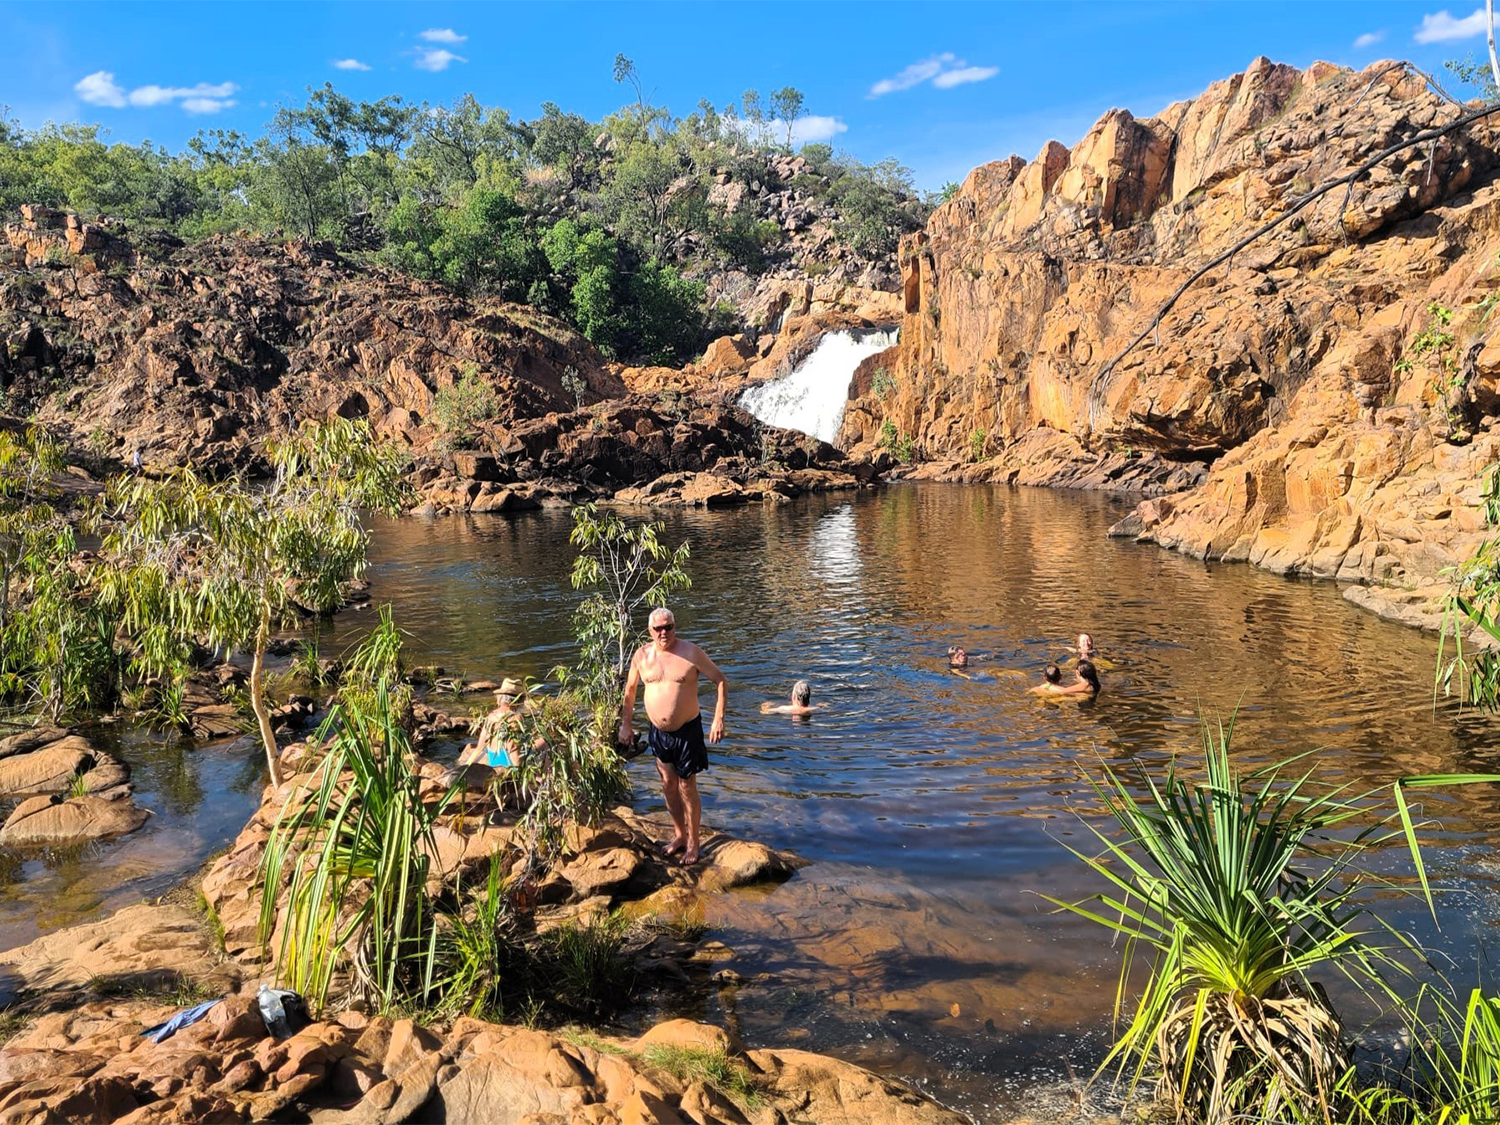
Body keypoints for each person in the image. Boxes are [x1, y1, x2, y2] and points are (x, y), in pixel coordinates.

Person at [619, 606, 728, 867]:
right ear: (650, 631)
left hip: (687, 730)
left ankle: (694, 843)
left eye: (669, 627)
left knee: (686, 786)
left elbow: (721, 681)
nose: (664, 632)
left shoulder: (691, 653)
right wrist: (626, 724)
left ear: (675, 627)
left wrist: (718, 718)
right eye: (658, 628)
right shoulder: (642, 656)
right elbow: (631, 691)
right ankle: (679, 835)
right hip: (659, 732)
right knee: (668, 784)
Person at [457, 678, 526, 770]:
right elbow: (513, 748)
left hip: (494, 762)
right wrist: (519, 771)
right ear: (519, 700)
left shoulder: (491, 716)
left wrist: (466, 768)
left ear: (500, 698)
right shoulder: (516, 717)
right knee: (543, 743)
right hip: (508, 764)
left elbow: (480, 747)